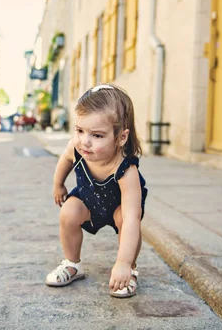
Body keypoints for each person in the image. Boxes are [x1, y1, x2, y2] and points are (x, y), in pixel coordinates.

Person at [45, 84, 147, 298]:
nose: (85, 141)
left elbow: (131, 216)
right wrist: (59, 184)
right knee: (69, 211)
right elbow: (65, 159)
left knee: (127, 221)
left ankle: (129, 270)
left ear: (121, 137)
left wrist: (122, 262)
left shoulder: (126, 170)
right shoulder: (76, 147)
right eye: (80, 130)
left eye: (98, 135)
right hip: (88, 202)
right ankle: (72, 264)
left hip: (118, 208)